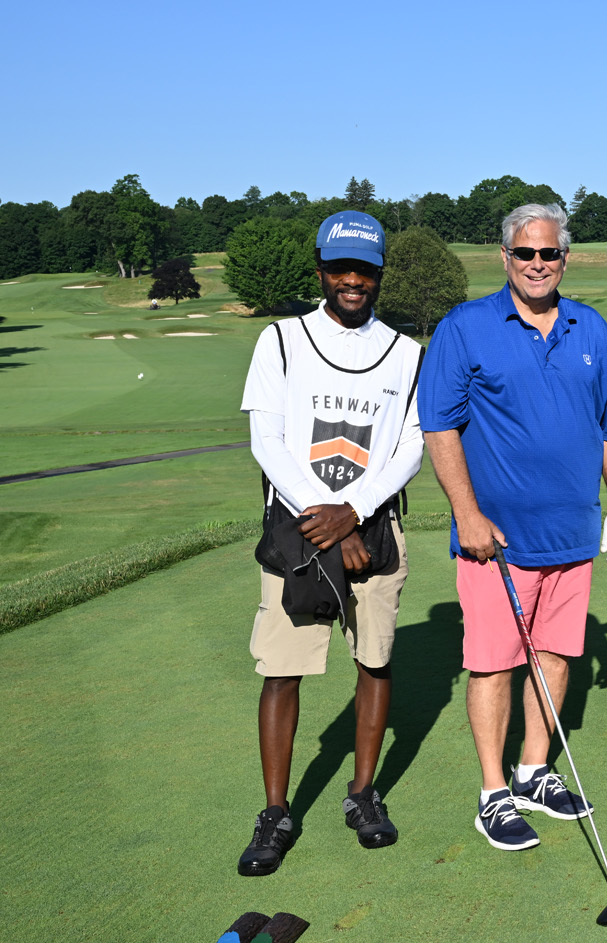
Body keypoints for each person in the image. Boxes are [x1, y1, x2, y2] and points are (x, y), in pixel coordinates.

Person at [419, 203, 607, 852]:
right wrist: (467, 514)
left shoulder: (590, 326)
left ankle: (534, 771)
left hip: (572, 532)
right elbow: (439, 426)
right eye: (525, 253)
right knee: (494, 666)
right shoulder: (465, 327)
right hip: (498, 541)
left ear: (566, 258)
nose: (537, 264)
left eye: (549, 253)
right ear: (504, 257)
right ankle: (494, 794)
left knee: (557, 655)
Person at [237, 210, 425, 876]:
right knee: (282, 669)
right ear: (320, 270)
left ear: (379, 275)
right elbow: (266, 438)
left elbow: (412, 445)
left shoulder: (405, 353)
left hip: (373, 526)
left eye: (364, 270)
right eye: (341, 268)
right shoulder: (282, 340)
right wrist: (325, 518)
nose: (353, 281)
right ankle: (275, 812)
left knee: (374, 661)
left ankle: (362, 794)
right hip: (296, 528)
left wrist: (355, 512)